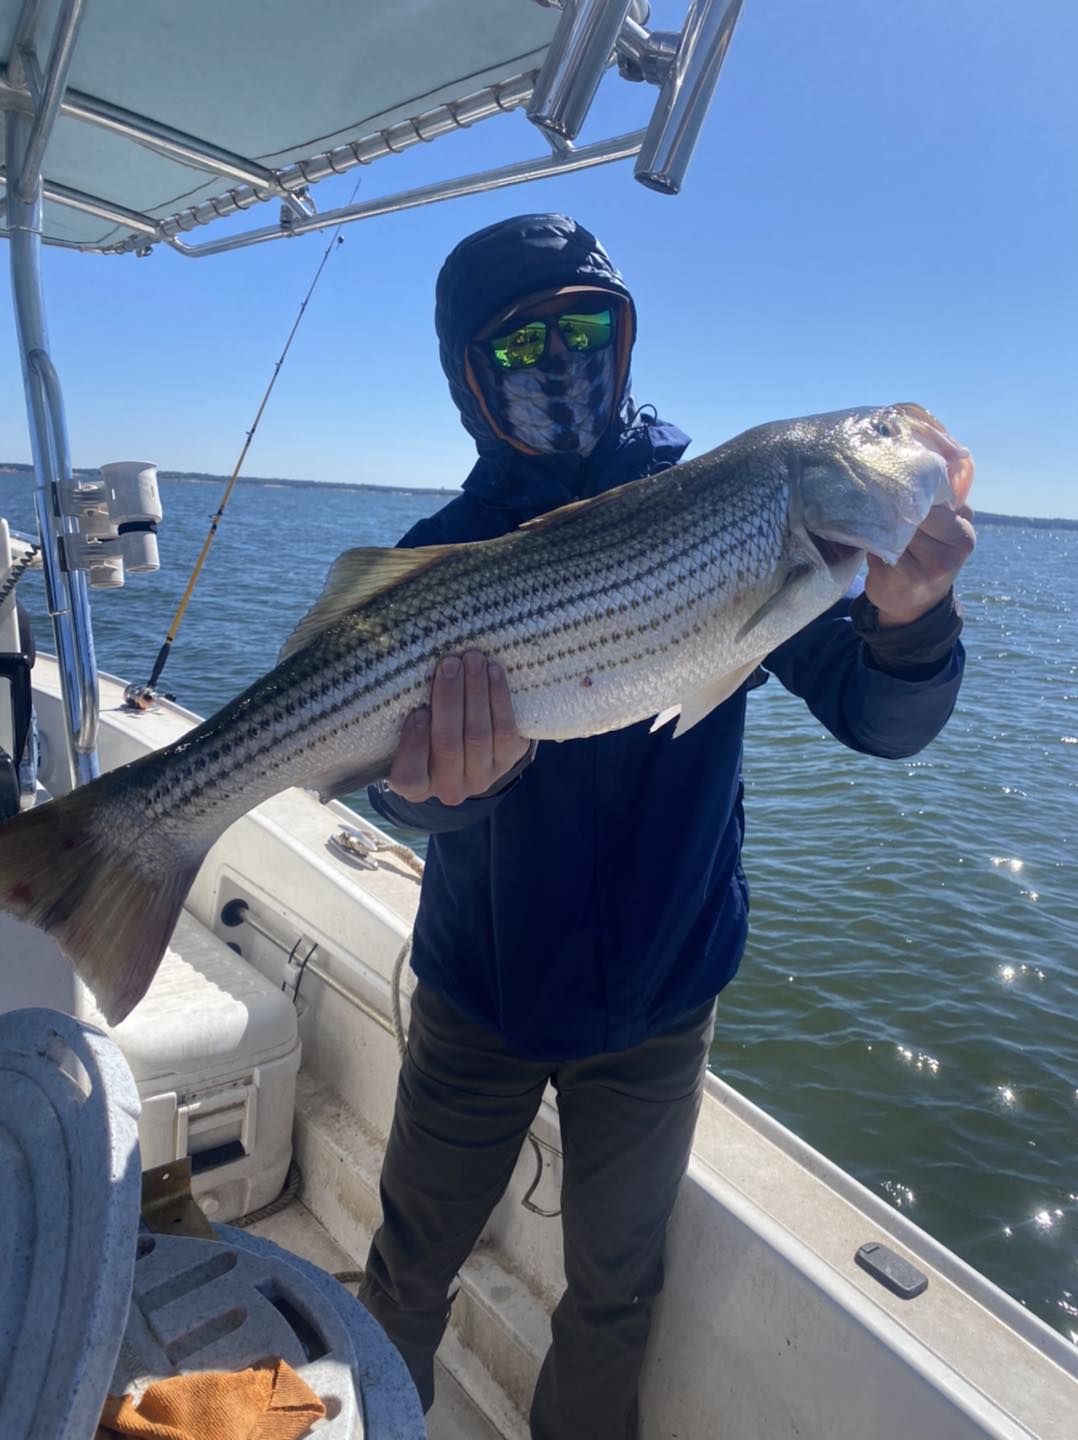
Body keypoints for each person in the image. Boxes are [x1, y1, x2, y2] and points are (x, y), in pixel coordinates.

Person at [356, 213, 975, 1439]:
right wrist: (436, 792)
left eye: (585, 326)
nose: (559, 360)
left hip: (659, 997)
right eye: (519, 342)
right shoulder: (440, 557)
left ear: (625, 336)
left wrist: (910, 622)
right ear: (467, 376)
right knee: (408, 1267)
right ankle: (373, 1418)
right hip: (478, 992)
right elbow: (392, 789)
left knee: (616, 1292)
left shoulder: (735, 510)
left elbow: (880, 721)